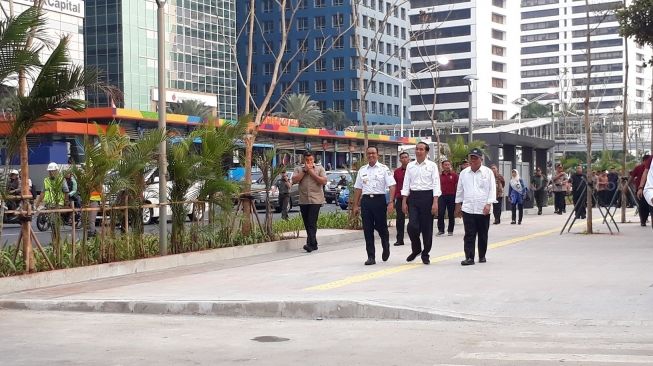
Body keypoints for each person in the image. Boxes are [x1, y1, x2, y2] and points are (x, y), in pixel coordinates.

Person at [352, 146, 396, 265]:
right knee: (368, 229)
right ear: (366, 155)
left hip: (379, 200)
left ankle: (385, 245)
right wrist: (355, 205)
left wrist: (391, 202)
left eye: (373, 153)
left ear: (378, 155)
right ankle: (371, 256)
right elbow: (358, 188)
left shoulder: (383, 169)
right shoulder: (362, 170)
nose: (371, 155)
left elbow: (392, 186)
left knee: (381, 227)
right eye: (369, 153)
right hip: (366, 201)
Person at [401, 142, 441, 265]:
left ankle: (425, 253)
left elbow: (436, 183)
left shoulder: (432, 165)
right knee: (412, 226)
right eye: (417, 149)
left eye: (421, 149)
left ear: (426, 152)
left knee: (426, 228)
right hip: (414, 197)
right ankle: (417, 248)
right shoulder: (410, 166)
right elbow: (406, 183)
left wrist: (435, 202)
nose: (418, 151)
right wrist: (404, 201)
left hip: (428, 197)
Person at [455, 148, 496, 266]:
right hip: (468, 208)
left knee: (483, 234)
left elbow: (492, 189)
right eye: (471, 157)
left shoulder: (488, 172)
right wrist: (458, 205)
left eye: (475, 158)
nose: (472, 160)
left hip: (483, 208)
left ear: (481, 159)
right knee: (469, 234)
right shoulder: (464, 173)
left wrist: (489, 204)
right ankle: (469, 257)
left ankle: (482, 255)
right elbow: (460, 190)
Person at [292, 152, 327, 252]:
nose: (309, 162)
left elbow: (323, 181)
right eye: (307, 160)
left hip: (316, 200)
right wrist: (304, 171)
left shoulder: (320, 168)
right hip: (304, 200)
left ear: (314, 159)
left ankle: (310, 244)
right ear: (304, 160)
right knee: (307, 223)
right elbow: (294, 180)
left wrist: (311, 172)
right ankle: (314, 243)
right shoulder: (298, 169)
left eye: (311, 160)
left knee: (312, 221)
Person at [437, 160, 458, 236]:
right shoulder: (439, 176)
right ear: (442, 166)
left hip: (452, 196)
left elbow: (458, 186)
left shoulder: (454, 175)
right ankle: (441, 230)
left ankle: (450, 230)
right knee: (441, 213)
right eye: (445, 165)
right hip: (441, 196)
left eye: (448, 164)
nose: (447, 166)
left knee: (451, 214)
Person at [393, 151, 410, 246]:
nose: (404, 159)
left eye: (406, 157)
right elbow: (394, 185)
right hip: (400, 198)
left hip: (411, 197)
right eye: (402, 157)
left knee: (413, 219)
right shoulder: (397, 172)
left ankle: (414, 238)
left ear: (409, 159)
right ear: (400, 160)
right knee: (400, 220)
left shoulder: (412, 170)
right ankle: (399, 239)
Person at [631, 154, 651, 226]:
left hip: (650, 190)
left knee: (649, 206)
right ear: (644, 161)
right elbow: (632, 177)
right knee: (642, 206)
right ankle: (643, 220)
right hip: (641, 190)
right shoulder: (638, 168)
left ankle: (645, 219)